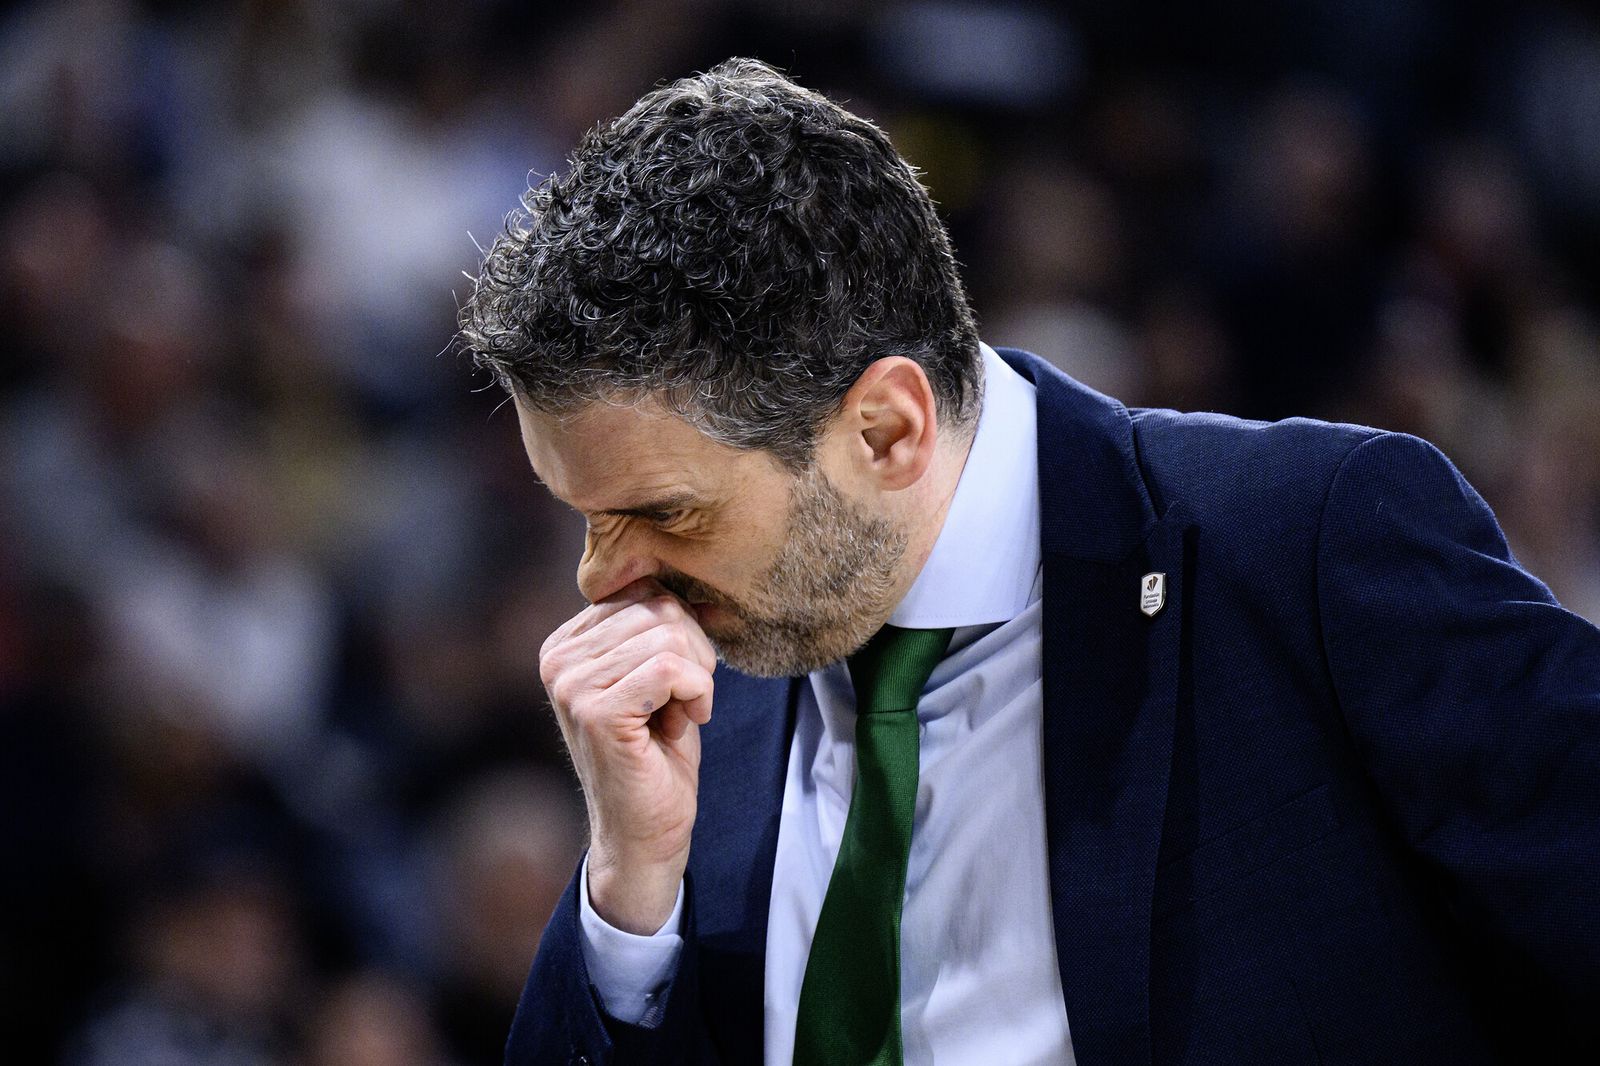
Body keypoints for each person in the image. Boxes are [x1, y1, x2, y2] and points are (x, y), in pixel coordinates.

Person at [457, 58, 1600, 1066]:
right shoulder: (703, 693)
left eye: (663, 511)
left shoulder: (1301, 542)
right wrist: (627, 902)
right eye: (583, 517)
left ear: (886, 431)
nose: (601, 579)